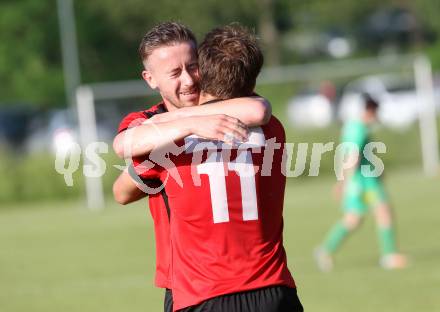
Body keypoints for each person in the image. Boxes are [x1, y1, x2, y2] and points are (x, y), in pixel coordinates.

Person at [132, 24, 303, 312]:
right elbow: (256, 109)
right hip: (274, 291)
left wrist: (176, 124)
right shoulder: (273, 129)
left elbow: (122, 188)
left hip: (201, 294)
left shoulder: (169, 142)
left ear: (204, 73)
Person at [314, 94, 407, 271]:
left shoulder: (352, 126)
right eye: (376, 112)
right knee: (382, 212)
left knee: (354, 219)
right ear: (370, 110)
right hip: (364, 182)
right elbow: (352, 155)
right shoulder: (359, 128)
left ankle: (325, 250)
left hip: (362, 180)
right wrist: (344, 182)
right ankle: (389, 256)